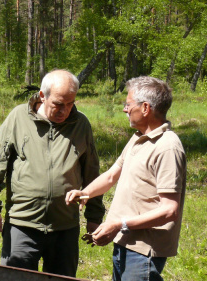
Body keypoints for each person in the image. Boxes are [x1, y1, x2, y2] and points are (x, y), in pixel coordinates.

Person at [0, 69, 105, 277]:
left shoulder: (80, 124)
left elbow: (92, 173)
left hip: (65, 226)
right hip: (22, 224)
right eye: (58, 104)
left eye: (70, 103)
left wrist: (94, 216)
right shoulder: (18, 118)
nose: (65, 110)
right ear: (43, 95)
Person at [66, 76, 186, 281]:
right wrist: (86, 192)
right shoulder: (139, 138)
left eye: (128, 104)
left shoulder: (167, 147)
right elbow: (112, 174)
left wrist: (118, 225)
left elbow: (169, 210)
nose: (125, 109)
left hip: (144, 250)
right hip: (126, 242)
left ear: (146, 108)